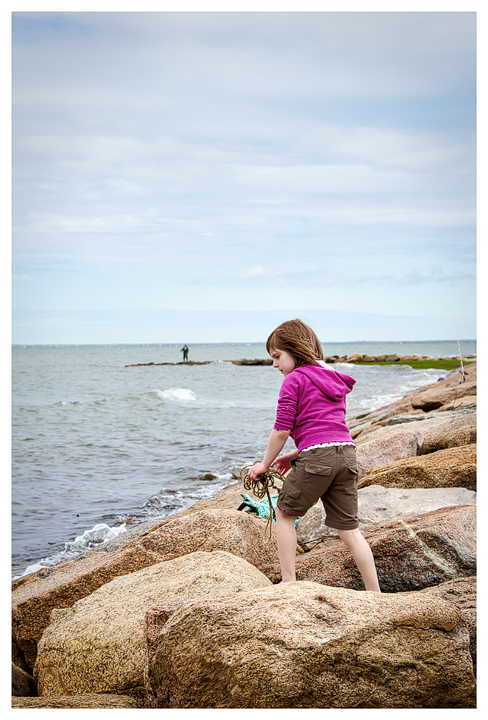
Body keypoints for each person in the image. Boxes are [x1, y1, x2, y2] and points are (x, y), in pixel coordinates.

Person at [246, 319, 381, 592]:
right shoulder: (333, 378)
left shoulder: (293, 379)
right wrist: (295, 455)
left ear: (295, 350)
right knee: (350, 530)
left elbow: (282, 430)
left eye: (277, 357)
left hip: (318, 459)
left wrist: (265, 464)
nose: (274, 365)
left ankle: (288, 582)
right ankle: (375, 593)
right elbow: (330, 427)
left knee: (284, 514)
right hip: (347, 455)